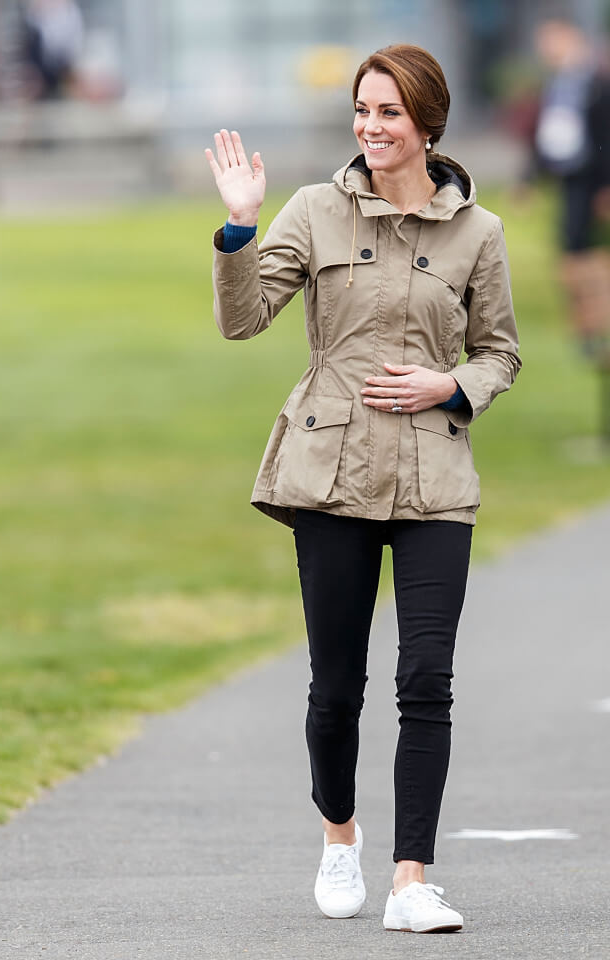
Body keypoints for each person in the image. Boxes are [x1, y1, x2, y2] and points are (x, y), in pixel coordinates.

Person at [205, 43, 521, 934]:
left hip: (434, 477)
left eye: (388, 112)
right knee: (336, 686)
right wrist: (239, 226)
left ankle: (411, 880)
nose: (370, 127)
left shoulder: (479, 233)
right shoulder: (314, 210)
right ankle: (339, 837)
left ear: (428, 124)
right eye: (362, 110)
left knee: (426, 680)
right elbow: (241, 320)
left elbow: (501, 353)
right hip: (329, 475)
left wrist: (451, 384)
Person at [533, 18, 610, 354]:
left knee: (587, 251)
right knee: (571, 249)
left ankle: (597, 322)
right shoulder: (558, 82)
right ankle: (586, 327)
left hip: (593, 179)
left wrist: (606, 184)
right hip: (569, 178)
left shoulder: (596, 80)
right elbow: (549, 132)